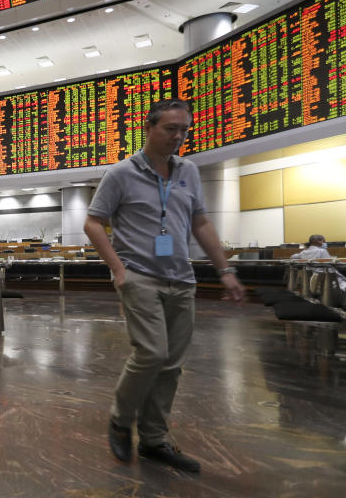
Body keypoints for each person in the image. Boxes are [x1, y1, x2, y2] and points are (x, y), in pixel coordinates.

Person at [83, 98, 244, 473]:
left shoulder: (188, 171)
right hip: (139, 276)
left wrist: (225, 271)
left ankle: (154, 440)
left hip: (181, 279)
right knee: (152, 354)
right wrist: (119, 270)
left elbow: (200, 223)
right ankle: (121, 420)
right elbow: (94, 222)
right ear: (150, 128)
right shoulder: (121, 173)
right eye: (171, 129)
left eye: (184, 130)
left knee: (171, 366)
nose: (179, 136)